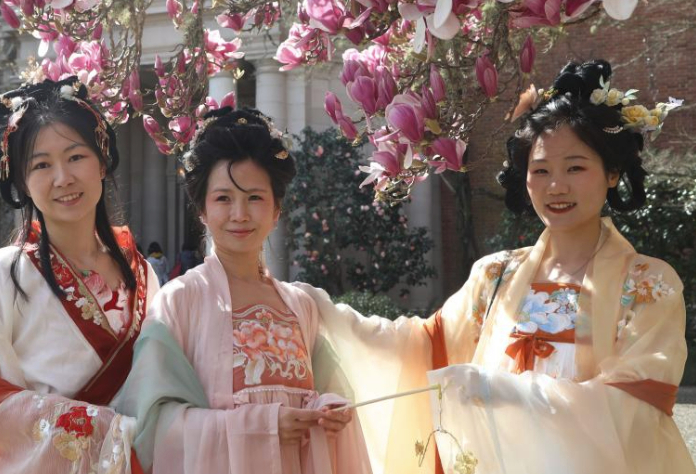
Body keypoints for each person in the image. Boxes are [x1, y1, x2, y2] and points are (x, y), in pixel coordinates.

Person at [298, 60, 695, 474]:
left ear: (612, 173)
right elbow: (423, 345)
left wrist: (506, 392)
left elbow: (636, 401)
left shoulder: (649, 283)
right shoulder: (495, 275)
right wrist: (328, 314)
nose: (556, 186)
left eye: (575, 167)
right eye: (540, 171)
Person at [114, 107, 372, 474]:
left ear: (277, 209)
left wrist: (330, 411)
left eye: (254, 198)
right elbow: (152, 423)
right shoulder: (179, 301)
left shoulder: (301, 306)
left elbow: (333, 391)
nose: (240, 214)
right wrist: (260, 428)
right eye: (223, 199)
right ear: (201, 210)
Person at [0, 78, 159, 474]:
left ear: (101, 161)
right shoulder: (2, 275)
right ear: (22, 181)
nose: (62, 178)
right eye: (41, 165)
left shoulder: (141, 272)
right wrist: (104, 429)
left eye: (75, 157)